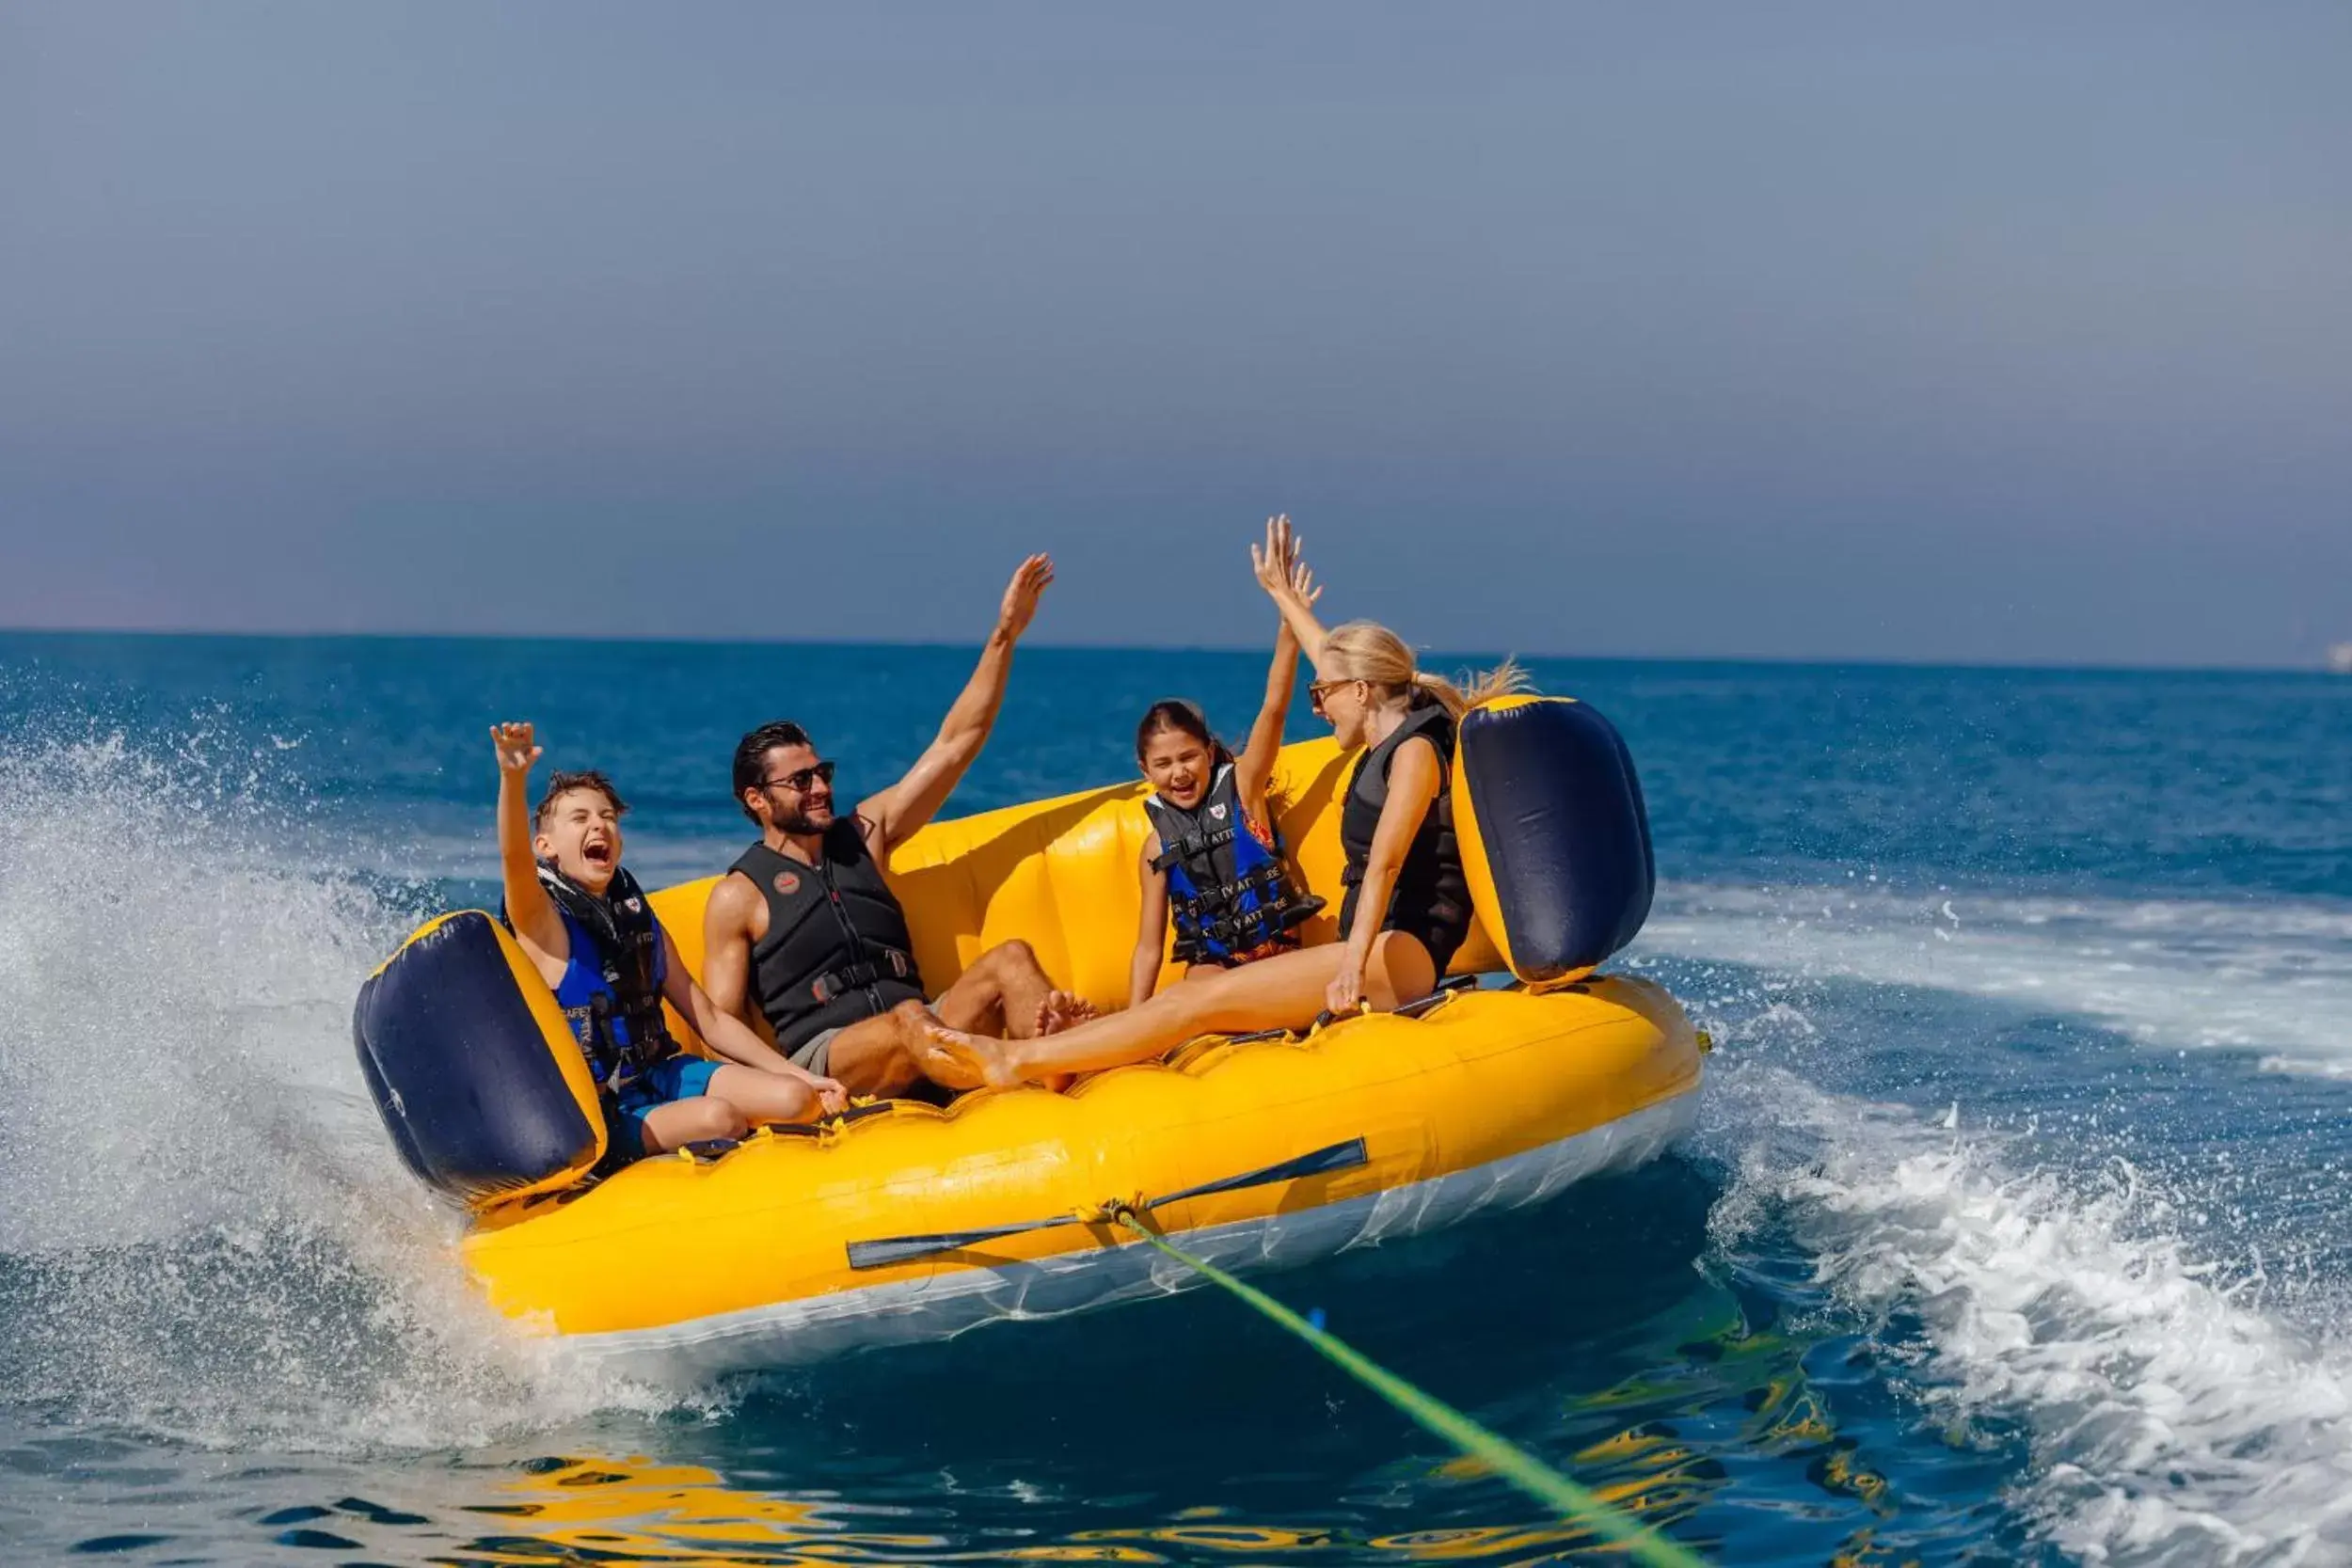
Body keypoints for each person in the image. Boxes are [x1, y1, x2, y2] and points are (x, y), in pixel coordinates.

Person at [929, 515, 1528, 1090]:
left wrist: (1352, 965)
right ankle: (1077, 1053)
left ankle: (1021, 1060)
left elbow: (1386, 865)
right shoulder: (1389, 728)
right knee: (1194, 996)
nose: (1317, 708)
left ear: (1363, 692)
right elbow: (1336, 662)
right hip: (1376, 951)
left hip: (1400, 956)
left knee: (1199, 1000)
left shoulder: (1414, 754)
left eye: (1325, 697)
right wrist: (1283, 598)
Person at [701, 555, 1093, 1100]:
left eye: (822, 773)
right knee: (909, 1018)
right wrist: (792, 1084)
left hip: (928, 1026)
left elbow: (956, 744)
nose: (819, 788)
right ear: (757, 799)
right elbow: (720, 1032)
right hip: (832, 1057)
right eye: (800, 781)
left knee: (1012, 959)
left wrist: (1005, 635)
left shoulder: (864, 833)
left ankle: (1059, 1084)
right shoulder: (737, 897)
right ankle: (1010, 1069)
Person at [491, 722, 848, 1159]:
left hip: (663, 1072)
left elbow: (709, 1018)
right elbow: (513, 859)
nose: (599, 826)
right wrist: (513, 779)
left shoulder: (637, 920)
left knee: (796, 1101)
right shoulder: (541, 922)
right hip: (604, 1109)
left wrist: (801, 1076)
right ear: (545, 845)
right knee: (720, 1118)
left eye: (607, 817)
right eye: (580, 819)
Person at [1125, 555, 1325, 1008]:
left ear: (1209, 753)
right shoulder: (1157, 848)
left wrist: (1288, 621)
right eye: (1164, 764)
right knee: (1193, 992)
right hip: (1214, 971)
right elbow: (1149, 947)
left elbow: (1273, 709)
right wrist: (1134, 1017)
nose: (1178, 772)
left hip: (1279, 960)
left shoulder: (1245, 790)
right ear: (1146, 771)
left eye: (1188, 757)